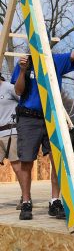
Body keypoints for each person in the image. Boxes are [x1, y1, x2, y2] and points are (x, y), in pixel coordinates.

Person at [11, 40, 74, 220]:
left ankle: (55, 201)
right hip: (29, 117)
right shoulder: (25, 63)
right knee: (26, 160)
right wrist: (22, 71)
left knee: (57, 158)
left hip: (51, 117)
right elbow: (19, 91)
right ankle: (26, 202)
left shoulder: (55, 60)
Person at [0, 73, 21, 206]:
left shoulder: (8, 87)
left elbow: (24, 101)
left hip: (12, 131)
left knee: (16, 165)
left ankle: (25, 197)